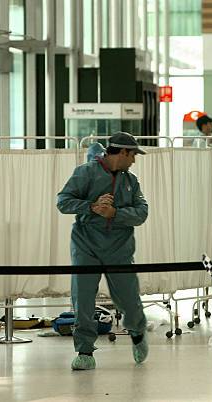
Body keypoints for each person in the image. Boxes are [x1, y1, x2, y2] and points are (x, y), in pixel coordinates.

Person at [57, 132, 149, 371]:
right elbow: (63, 201)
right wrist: (92, 207)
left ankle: (137, 332)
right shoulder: (85, 173)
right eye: (133, 155)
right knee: (83, 298)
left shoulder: (131, 181)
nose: (134, 161)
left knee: (128, 298)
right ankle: (85, 351)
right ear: (123, 152)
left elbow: (142, 213)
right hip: (85, 244)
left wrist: (115, 214)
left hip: (119, 247)